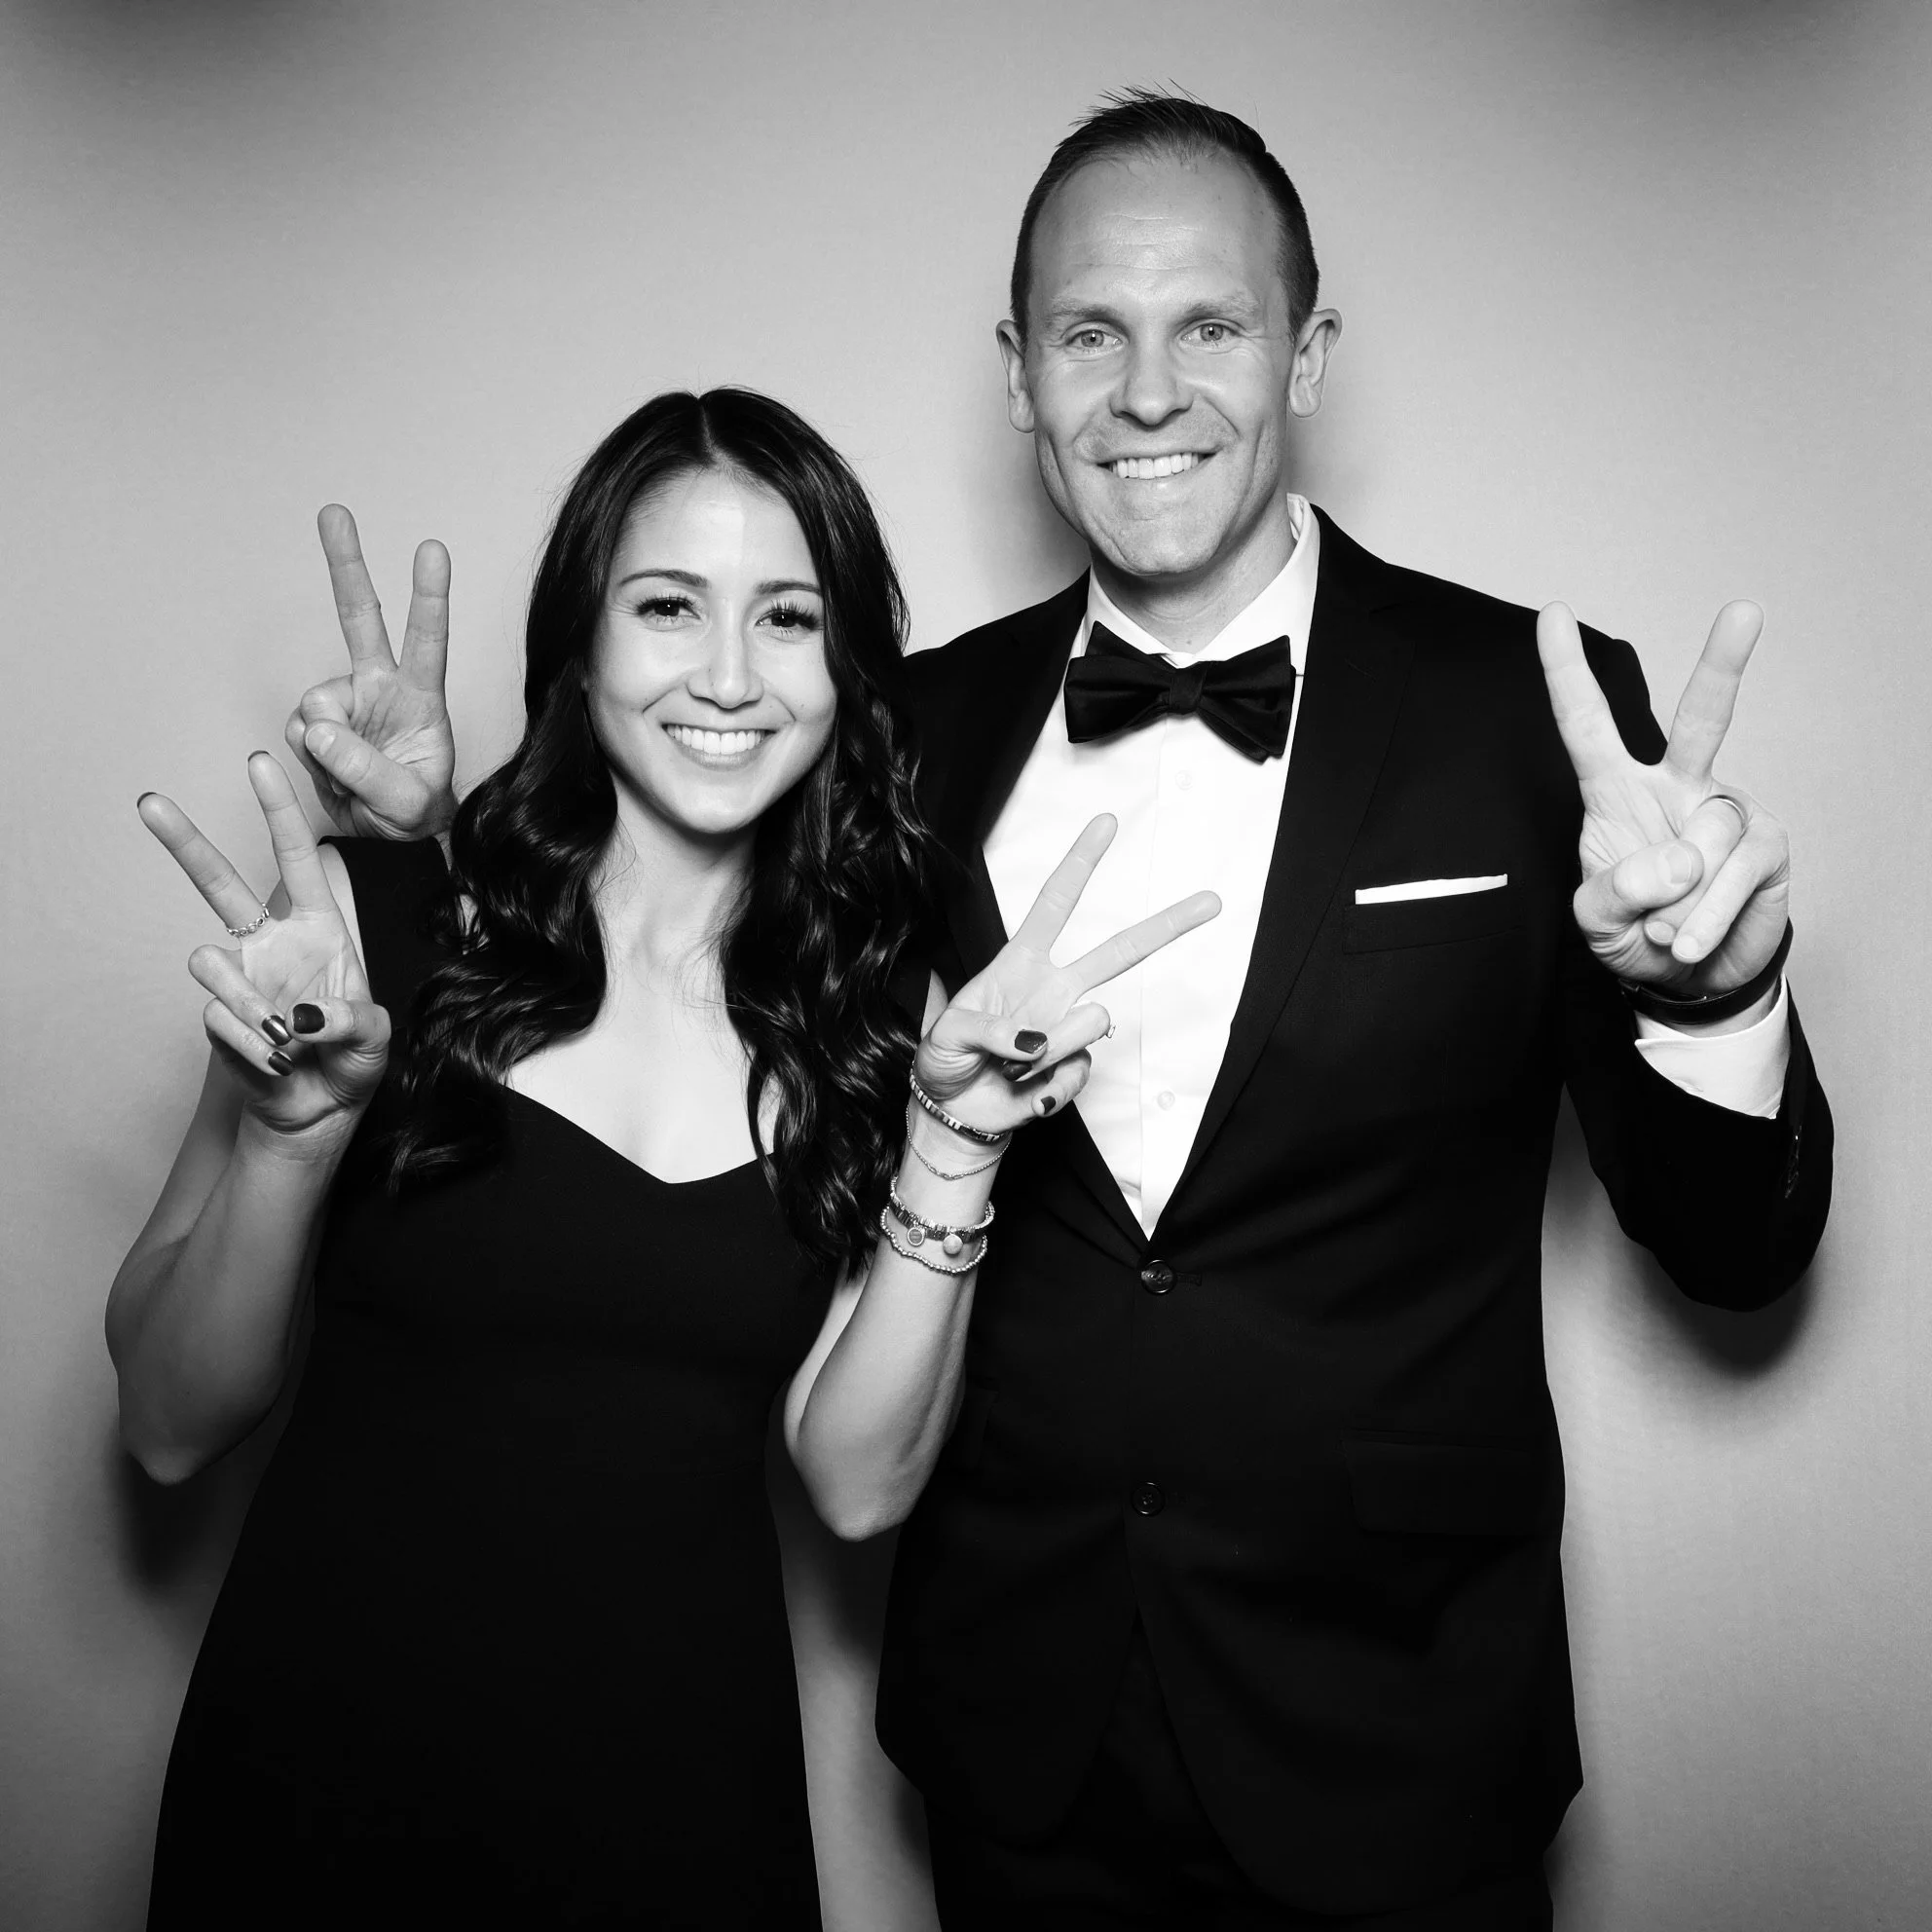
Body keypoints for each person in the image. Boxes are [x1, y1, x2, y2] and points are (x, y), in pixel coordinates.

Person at [277, 96, 1834, 1931]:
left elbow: (1737, 1256)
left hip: (1404, 1728)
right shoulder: (900, 734)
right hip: (1021, 1738)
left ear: (1310, 353)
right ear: (1020, 374)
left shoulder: (1530, 706)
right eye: (1091, 332)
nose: (1148, 391)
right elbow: (621, 964)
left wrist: (1718, 1000)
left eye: (1214, 328)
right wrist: (399, 867)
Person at [109, 387, 1217, 1927]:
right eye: (667, 606)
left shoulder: (877, 1029)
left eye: (785, 618)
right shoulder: (374, 938)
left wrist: (957, 1145)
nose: (724, 675)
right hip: (310, 1787)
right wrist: (293, 1143)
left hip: (678, 1817)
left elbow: (855, 1486)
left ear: (845, 670)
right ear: (582, 641)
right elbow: (166, 1423)